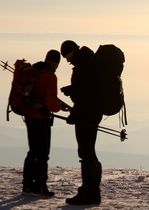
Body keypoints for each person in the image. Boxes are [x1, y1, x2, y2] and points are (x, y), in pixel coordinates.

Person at [16, 49, 67, 198]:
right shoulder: (50, 76)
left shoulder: (35, 71)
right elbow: (50, 103)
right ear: (57, 63)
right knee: (43, 153)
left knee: (33, 152)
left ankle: (28, 185)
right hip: (41, 118)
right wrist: (59, 108)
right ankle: (40, 186)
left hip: (29, 116)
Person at [60, 40, 103, 205]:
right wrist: (72, 89)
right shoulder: (88, 62)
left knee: (86, 153)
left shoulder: (82, 65)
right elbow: (87, 88)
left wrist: (74, 115)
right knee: (89, 152)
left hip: (87, 115)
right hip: (92, 113)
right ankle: (93, 192)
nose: (67, 60)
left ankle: (88, 193)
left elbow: (85, 97)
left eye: (66, 56)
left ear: (71, 51)